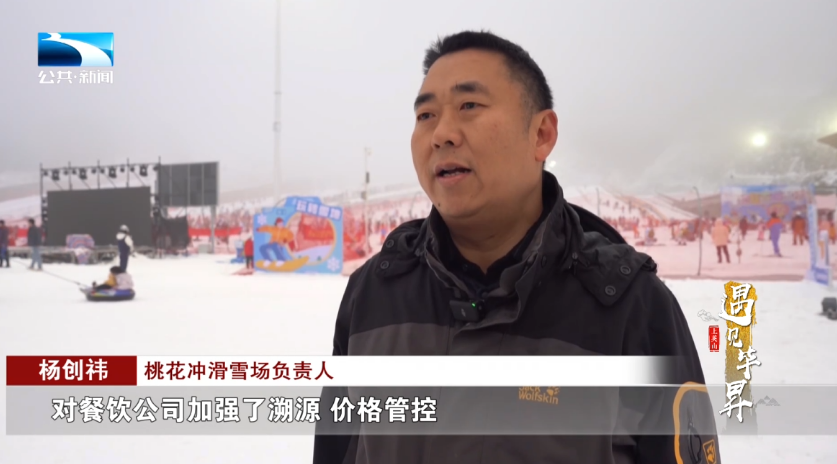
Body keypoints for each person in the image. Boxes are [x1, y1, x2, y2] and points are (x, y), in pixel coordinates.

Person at [314, 31, 718, 464]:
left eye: (469, 106)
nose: (441, 134)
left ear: (541, 134)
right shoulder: (373, 293)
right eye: (426, 115)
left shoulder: (631, 306)